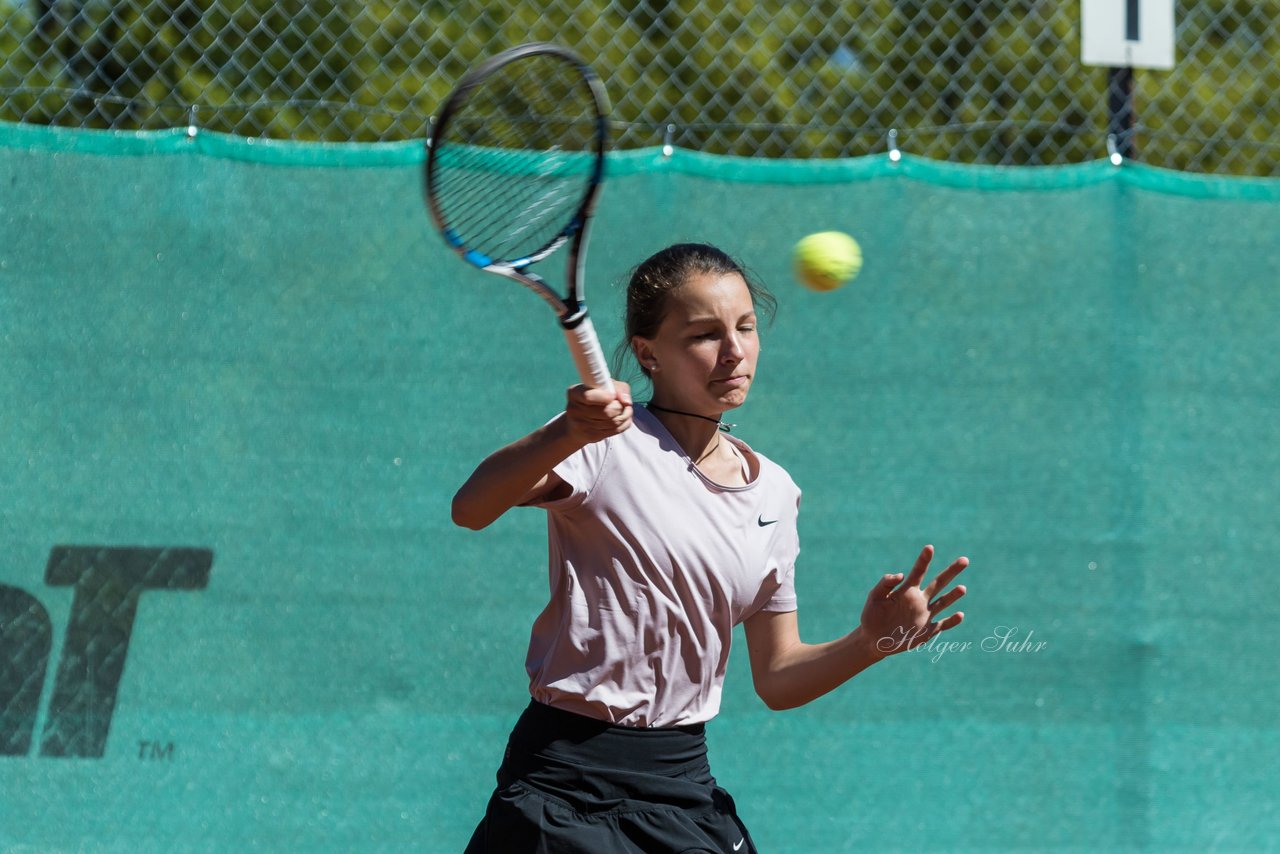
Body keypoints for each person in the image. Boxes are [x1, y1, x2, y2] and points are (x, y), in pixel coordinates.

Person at [453, 243, 969, 853]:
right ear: (649, 354)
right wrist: (566, 431)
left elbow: (778, 678)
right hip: (565, 785)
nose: (735, 351)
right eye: (704, 334)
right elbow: (472, 507)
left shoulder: (774, 492)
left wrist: (871, 643)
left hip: (680, 781)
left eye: (745, 328)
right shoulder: (604, 446)